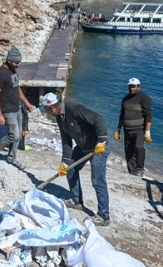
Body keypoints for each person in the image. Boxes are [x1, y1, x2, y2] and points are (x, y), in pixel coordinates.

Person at [39, 91, 111, 226]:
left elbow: (98, 119)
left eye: (46, 110)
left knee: (97, 180)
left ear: (52, 107)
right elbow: (66, 141)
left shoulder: (74, 108)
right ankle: (76, 200)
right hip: (83, 147)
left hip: (98, 147)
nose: (46, 112)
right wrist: (64, 162)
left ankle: (104, 216)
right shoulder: (60, 118)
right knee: (70, 168)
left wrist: (102, 140)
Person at [0, 46, 35, 169]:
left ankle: (11, 158)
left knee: (19, 135)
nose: (18, 65)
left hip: (17, 107)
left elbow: (17, 88)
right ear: (9, 60)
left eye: (19, 62)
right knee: (14, 135)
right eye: (16, 62)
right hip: (7, 109)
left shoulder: (13, 71)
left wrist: (26, 103)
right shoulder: (0, 74)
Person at [115, 77, 153, 176]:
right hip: (127, 130)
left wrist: (147, 132)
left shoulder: (144, 98)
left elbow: (148, 115)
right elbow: (122, 115)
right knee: (128, 152)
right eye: (130, 86)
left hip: (139, 130)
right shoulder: (125, 99)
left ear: (138, 87)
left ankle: (140, 168)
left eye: (134, 86)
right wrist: (118, 129)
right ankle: (132, 171)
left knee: (139, 147)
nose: (131, 88)